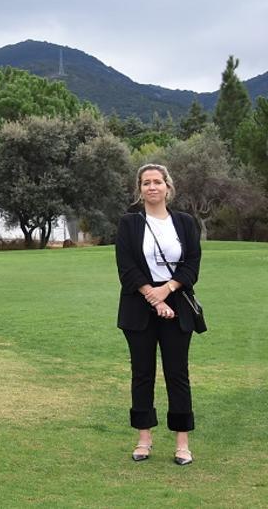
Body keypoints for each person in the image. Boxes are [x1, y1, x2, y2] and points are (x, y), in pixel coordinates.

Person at [115, 163, 202, 465]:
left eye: (157, 182)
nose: (152, 187)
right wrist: (155, 300)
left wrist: (167, 291)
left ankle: (182, 443)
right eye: (145, 183)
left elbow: (192, 265)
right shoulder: (129, 223)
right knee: (142, 374)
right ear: (139, 189)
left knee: (177, 374)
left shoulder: (185, 222)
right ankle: (144, 438)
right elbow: (127, 270)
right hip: (138, 307)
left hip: (177, 306)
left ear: (168, 186)